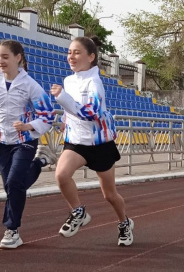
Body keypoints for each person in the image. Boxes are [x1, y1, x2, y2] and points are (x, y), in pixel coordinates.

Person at [50, 36, 134, 246]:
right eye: (69, 52)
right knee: (61, 175)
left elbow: (91, 113)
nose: (71, 56)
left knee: (109, 195)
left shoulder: (94, 82)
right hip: (77, 142)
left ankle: (124, 223)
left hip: (99, 144)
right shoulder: (69, 81)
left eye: (76, 52)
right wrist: (63, 120)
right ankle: (78, 212)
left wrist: (62, 98)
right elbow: (71, 110)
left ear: (91, 57)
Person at [0, 40, 58, 249]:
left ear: (18, 57)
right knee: (12, 187)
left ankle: (12, 230)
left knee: (13, 184)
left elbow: (47, 116)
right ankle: (40, 162)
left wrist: (29, 125)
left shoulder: (31, 85)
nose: (0, 61)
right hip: (2, 141)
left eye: (5, 57)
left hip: (26, 141)